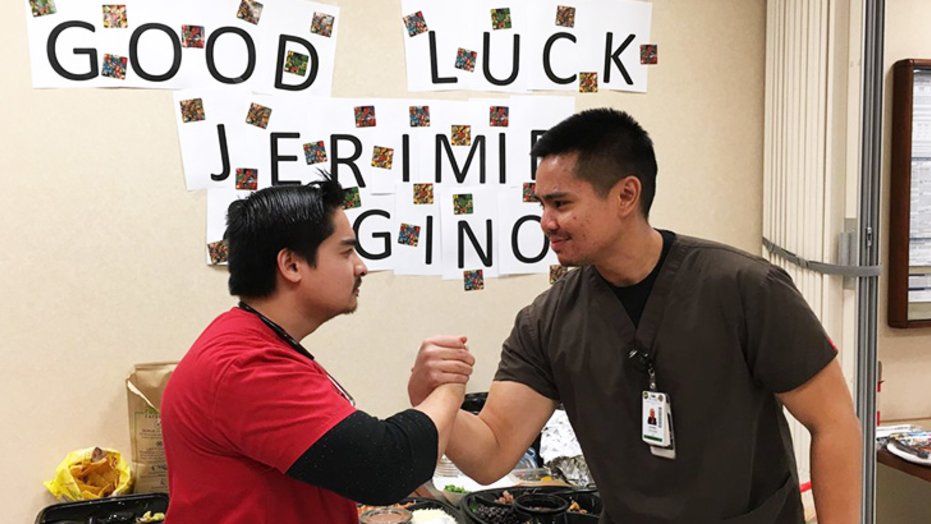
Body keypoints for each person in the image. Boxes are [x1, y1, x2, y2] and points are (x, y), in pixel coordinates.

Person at [409, 108, 862, 523]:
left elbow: (834, 422)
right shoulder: (548, 321)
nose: (546, 221)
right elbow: (490, 453)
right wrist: (433, 400)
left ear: (626, 194)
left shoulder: (746, 288)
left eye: (561, 203)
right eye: (541, 205)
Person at [161, 176, 473, 523]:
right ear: (291, 265)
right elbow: (385, 468)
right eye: (345, 251)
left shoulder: (256, 343)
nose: (361, 266)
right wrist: (451, 385)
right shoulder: (245, 365)